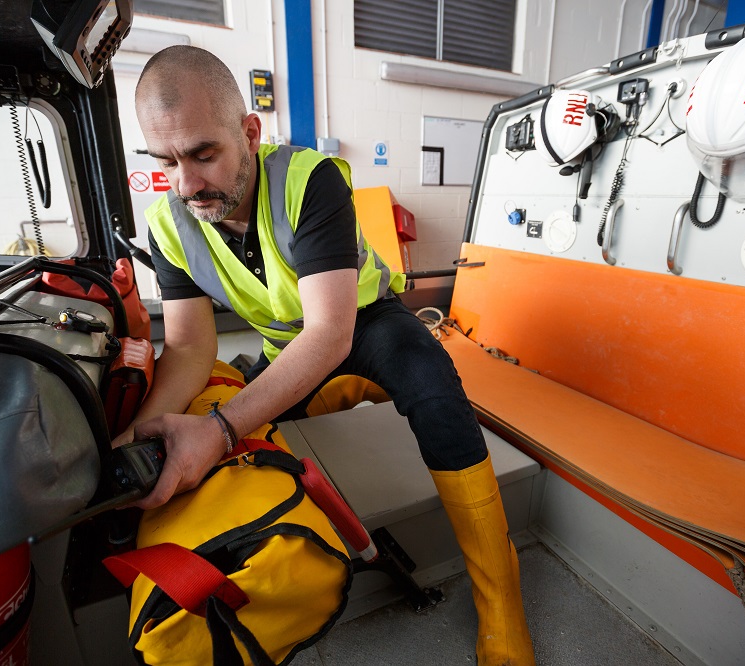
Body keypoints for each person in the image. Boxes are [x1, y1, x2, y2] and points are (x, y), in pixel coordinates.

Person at [117, 44, 535, 665]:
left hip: (364, 325)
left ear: (249, 132)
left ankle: (501, 600)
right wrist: (134, 435)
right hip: (287, 348)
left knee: (436, 386)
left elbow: (331, 333)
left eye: (204, 154)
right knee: (236, 393)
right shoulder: (168, 223)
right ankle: (341, 397)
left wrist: (220, 429)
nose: (186, 184)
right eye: (167, 161)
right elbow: (187, 347)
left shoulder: (310, 180)